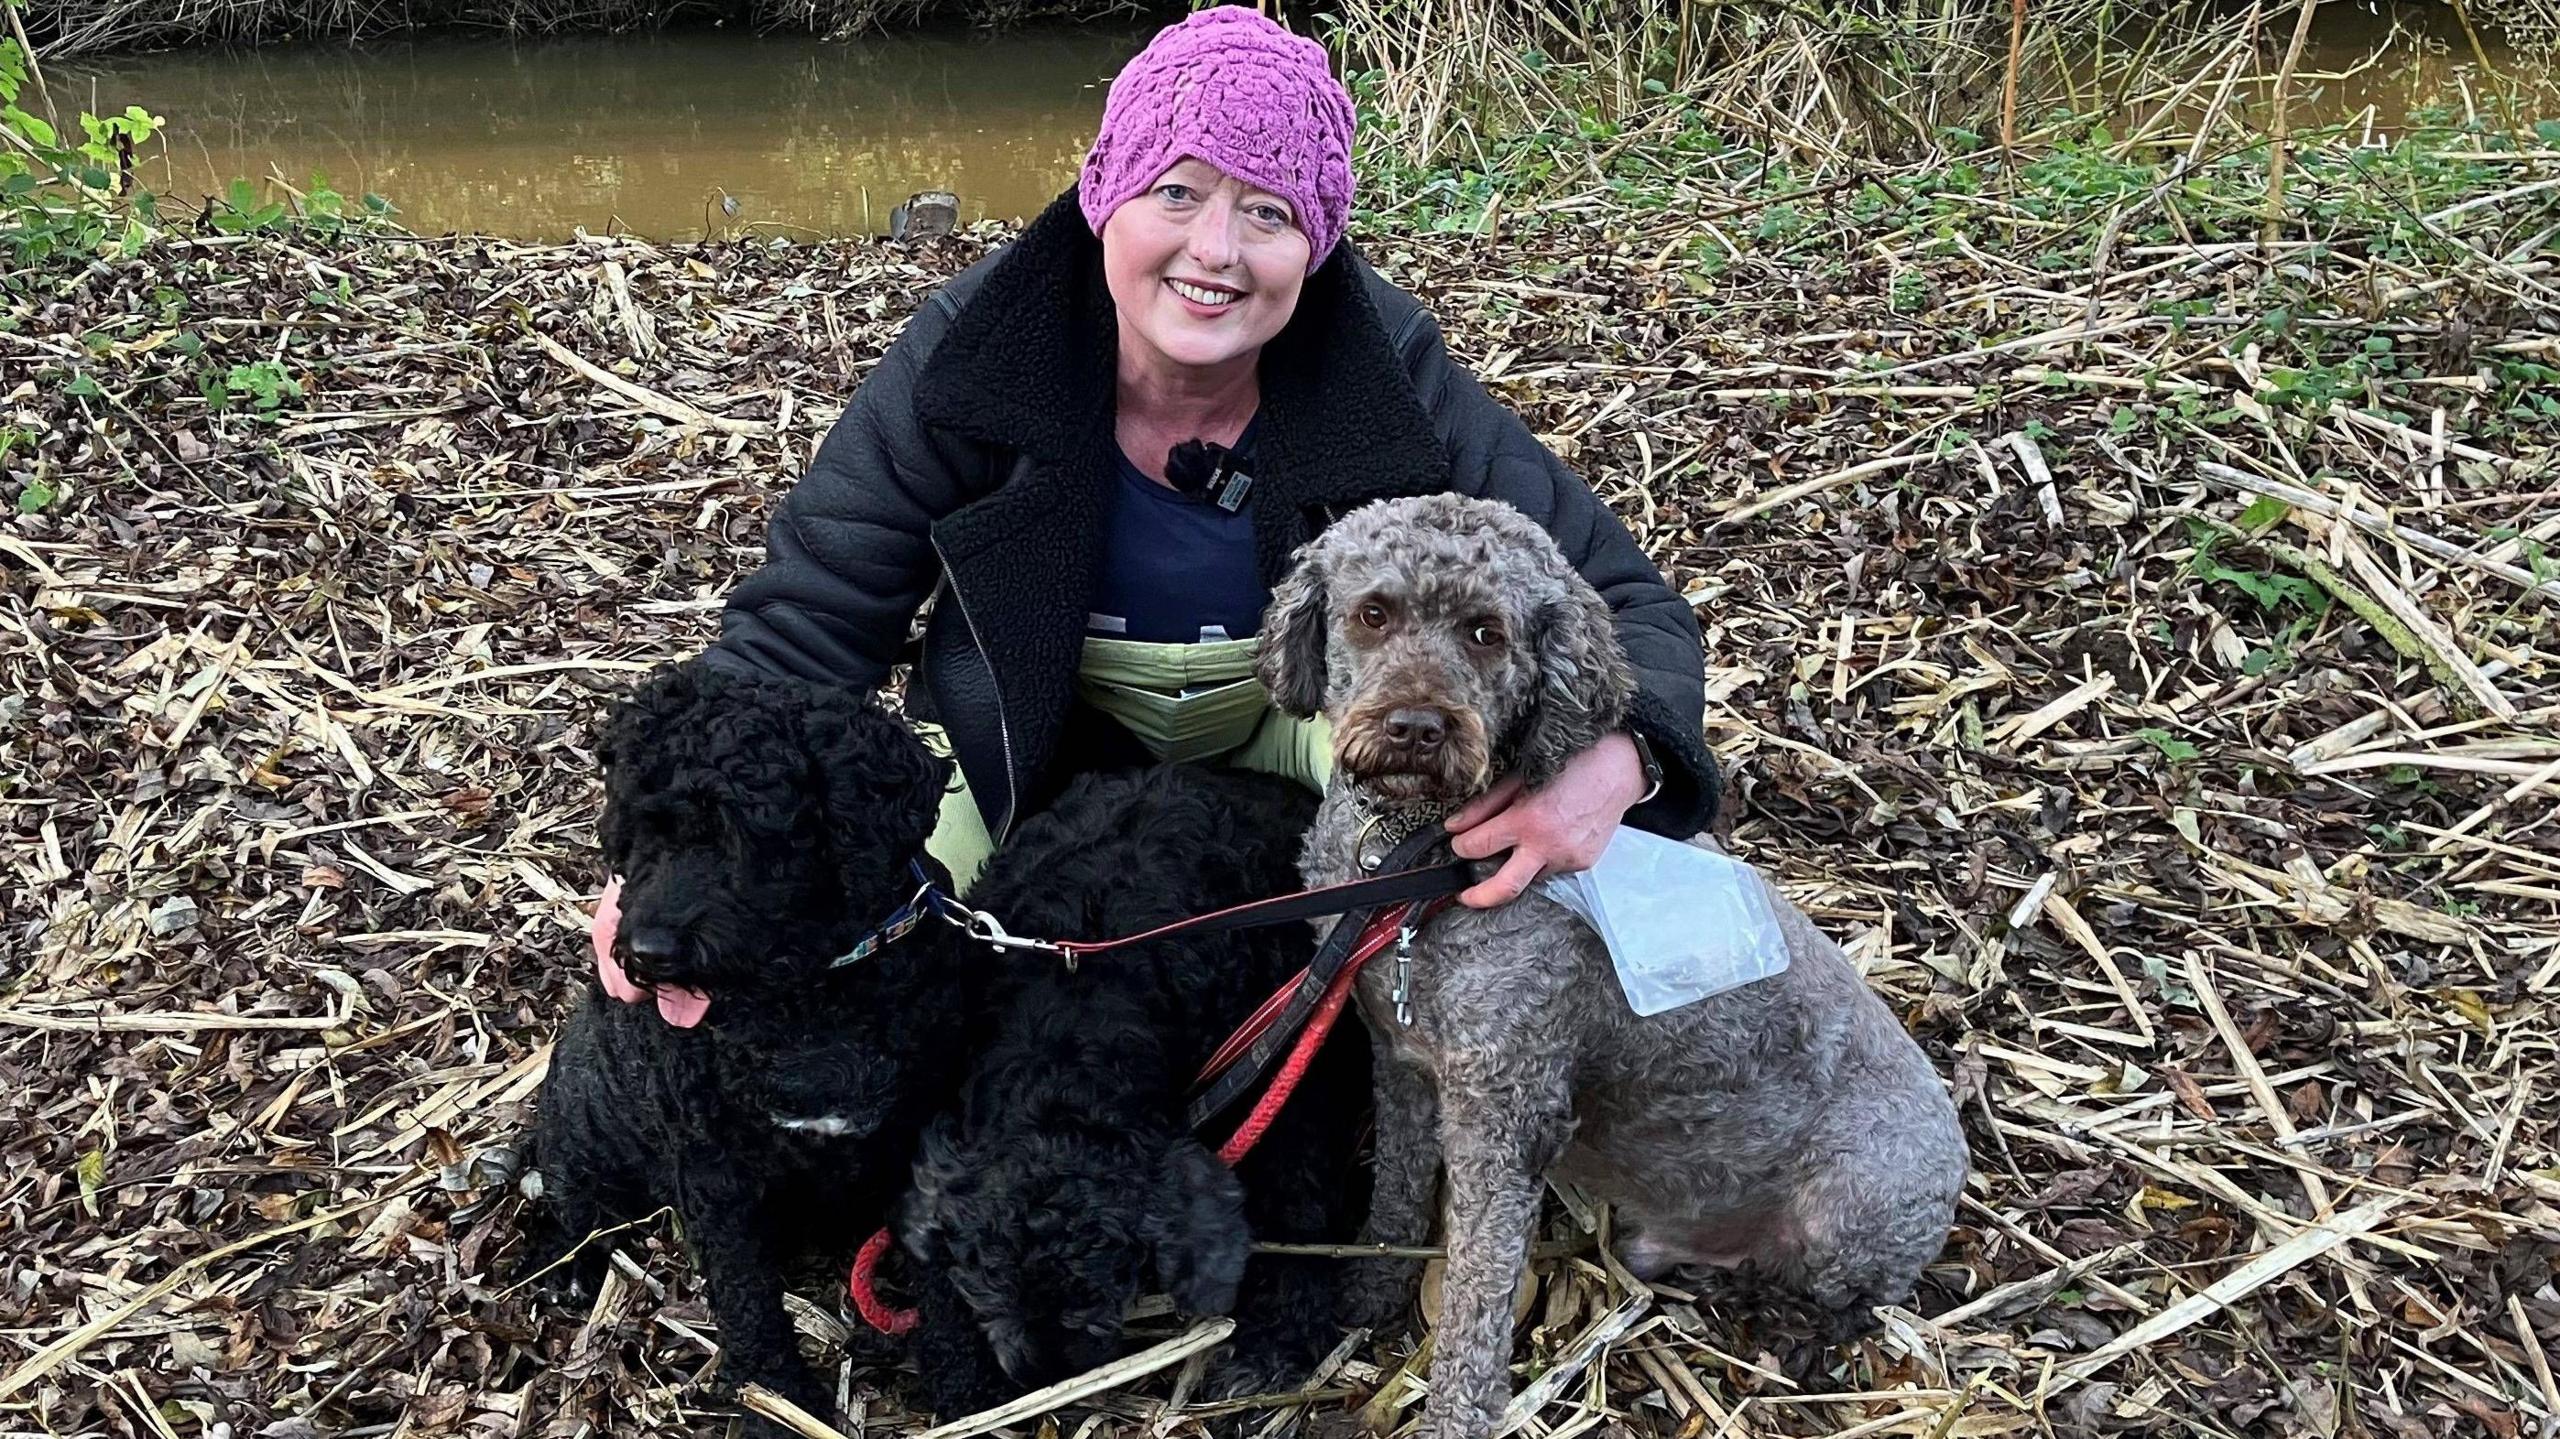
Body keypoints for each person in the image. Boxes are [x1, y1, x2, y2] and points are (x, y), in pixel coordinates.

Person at [596, 6, 1717, 971]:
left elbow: (1628, 605)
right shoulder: (976, 353)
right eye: (1176, 192)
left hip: (1300, 710)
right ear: (1104, 197)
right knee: (859, 925)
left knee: (1522, 866)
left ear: (1316, 244)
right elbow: (808, 619)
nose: (1216, 250)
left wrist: (1621, 761)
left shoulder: (1387, 368)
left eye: (1269, 211)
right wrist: (666, 863)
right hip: (1027, 719)